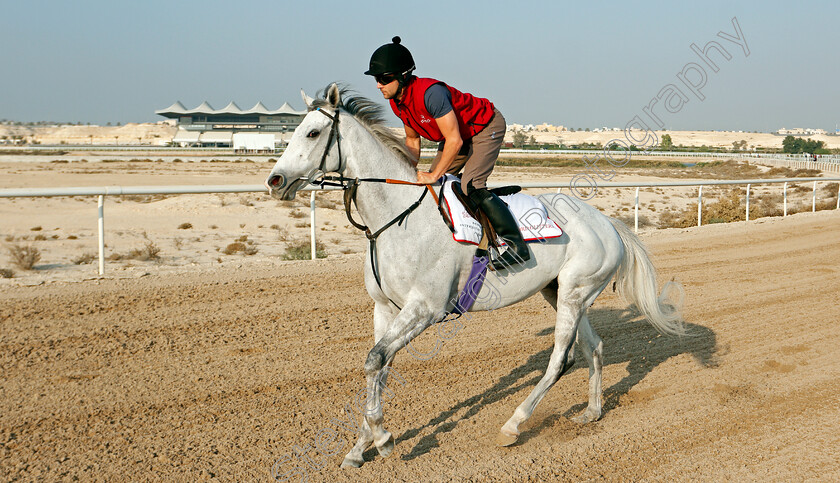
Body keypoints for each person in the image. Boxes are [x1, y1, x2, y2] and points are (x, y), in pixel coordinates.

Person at [364, 36, 530, 270]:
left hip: (485, 126)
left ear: (403, 76)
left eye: (383, 79)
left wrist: (433, 174)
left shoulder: (431, 94)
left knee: (471, 186)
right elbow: (412, 140)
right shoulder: (397, 101)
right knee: (429, 189)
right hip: (459, 136)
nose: (378, 85)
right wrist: (409, 172)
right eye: (376, 79)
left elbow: (454, 139)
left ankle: (516, 245)